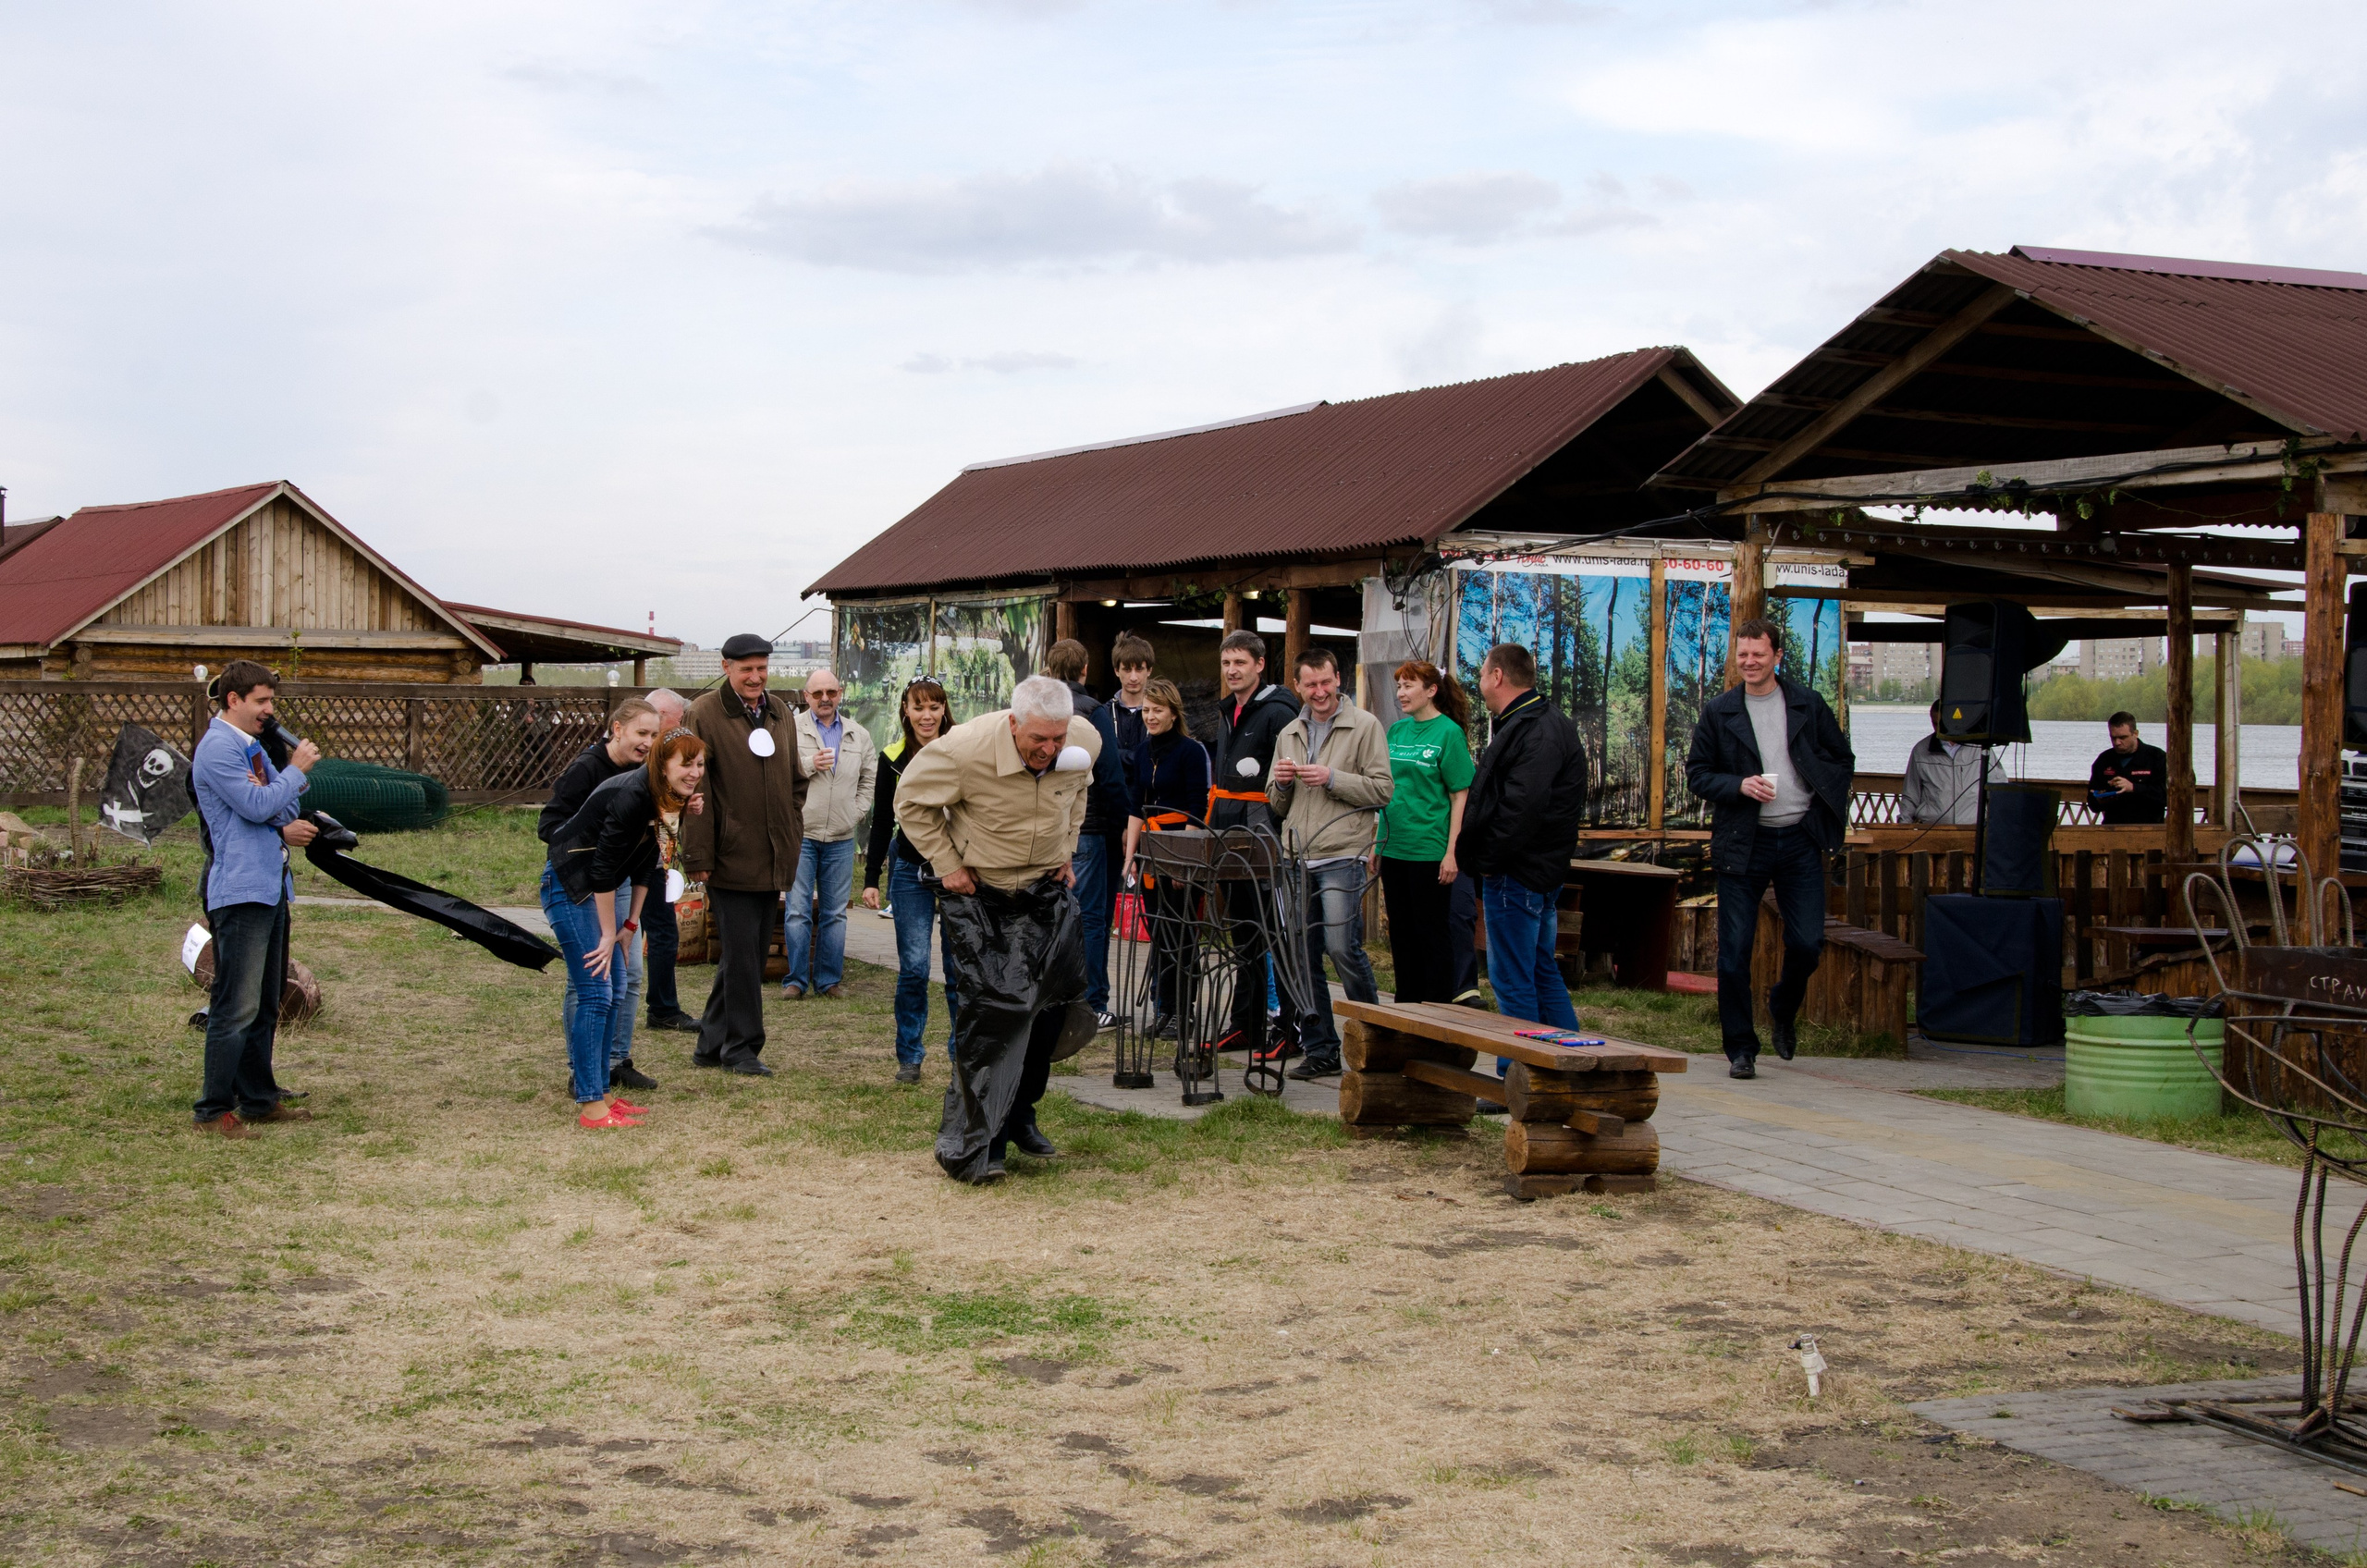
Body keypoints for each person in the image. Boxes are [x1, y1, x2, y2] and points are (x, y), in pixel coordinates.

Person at [896, 675, 1101, 1182]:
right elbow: (910, 801)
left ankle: (1020, 1116)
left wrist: (1067, 848)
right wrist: (947, 863)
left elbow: (1079, 791)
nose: (1050, 750)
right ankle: (979, 1143)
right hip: (981, 898)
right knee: (991, 1020)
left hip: (1044, 896)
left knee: (1049, 1012)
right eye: (1039, 740)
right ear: (1014, 725)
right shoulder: (963, 751)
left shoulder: (1083, 741)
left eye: (1058, 739)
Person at [1685, 617, 1855, 1079]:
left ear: (1777, 656)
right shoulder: (1720, 711)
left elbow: (1841, 759)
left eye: (1759, 654)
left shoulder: (1807, 703)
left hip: (1799, 838)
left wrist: (1822, 808)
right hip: (1744, 841)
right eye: (1742, 654)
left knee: (1808, 942)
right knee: (1734, 950)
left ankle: (1783, 1004)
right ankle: (1741, 1048)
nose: (1750, 662)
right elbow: (1697, 773)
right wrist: (1739, 784)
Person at [546, 728, 707, 1128]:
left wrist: (631, 924)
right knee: (596, 992)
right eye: (686, 764)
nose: (694, 773)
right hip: (570, 887)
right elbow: (601, 871)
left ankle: (601, 1092)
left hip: (602, 888)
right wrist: (606, 933)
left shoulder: (669, 797)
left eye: (699, 764)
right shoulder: (633, 795)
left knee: (616, 989)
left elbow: (646, 864)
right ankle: (590, 1106)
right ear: (663, 764)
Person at [190, 660, 321, 1137]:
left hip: (269, 886)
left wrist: (279, 786)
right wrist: (294, 770)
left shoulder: (252, 750)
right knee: (235, 1006)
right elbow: (260, 806)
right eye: (261, 701)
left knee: (266, 1002)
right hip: (240, 889)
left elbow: (283, 807)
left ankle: (259, 1100)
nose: (270, 710)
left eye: (271, 701)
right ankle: (212, 1111)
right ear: (234, 701)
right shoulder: (218, 748)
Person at [681, 634, 809, 1076]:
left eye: (761, 668)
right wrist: (698, 855)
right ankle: (741, 1048)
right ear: (727, 667)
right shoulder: (703, 713)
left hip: (772, 854)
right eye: (745, 669)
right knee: (743, 956)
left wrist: (792, 826)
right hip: (729, 856)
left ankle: (710, 1043)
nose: (755, 677)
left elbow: (795, 779)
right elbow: (695, 788)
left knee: (748, 953)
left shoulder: (781, 713)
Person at [1457, 643, 1588, 1072]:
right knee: (1539, 970)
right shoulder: (1531, 721)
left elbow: (1521, 808)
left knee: (1512, 980)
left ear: (1498, 677)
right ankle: (1570, 1065)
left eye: (1481, 676)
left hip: (1518, 873)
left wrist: (1488, 859)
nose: (1478, 685)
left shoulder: (1536, 728)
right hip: (1534, 870)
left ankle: (1517, 1076)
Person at [1268, 645, 1393, 1079]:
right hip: (1296, 855)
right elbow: (1276, 804)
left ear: (1338, 679)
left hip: (1342, 853)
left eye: (1326, 682)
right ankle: (1321, 1049)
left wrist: (1333, 778)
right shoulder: (1288, 732)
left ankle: (1376, 1041)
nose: (1319, 691)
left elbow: (1382, 790)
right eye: (1310, 684)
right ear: (1298, 687)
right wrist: (1282, 784)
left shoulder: (1366, 726)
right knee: (1302, 956)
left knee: (1342, 949)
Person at [538, 697, 663, 1091]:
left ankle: (615, 1060)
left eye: (655, 736)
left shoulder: (646, 776)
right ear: (618, 728)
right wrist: (598, 821)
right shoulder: (588, 768)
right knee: (591, 977)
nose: (648, 743)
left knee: (629, 973)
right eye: (641, 733)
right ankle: (583, 1070)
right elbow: (550, 827)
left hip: (621, 879)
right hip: (585, 880)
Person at [1205, 630, 1302, 1055]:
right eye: (1227, 664)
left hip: (1265, 839)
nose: (1232, 671)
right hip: (1230, 837)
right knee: (1243, 935)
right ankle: (1247, 1022)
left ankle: (1291, 1028)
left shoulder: (1279, 713)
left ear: (1260, 665)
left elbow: (1289, 779)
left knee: (1278, 935)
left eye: (1240, 663)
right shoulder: (1229, 711)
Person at [862, 677, 963, 1084]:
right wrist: (871, 877)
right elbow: (882, 821)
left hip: (958, 868)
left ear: (944, 710)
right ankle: (909, 1055)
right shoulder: (892, 757)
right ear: (905, 709)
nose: (927, 715)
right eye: (918, 707)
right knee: (915, 968)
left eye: (934, 707)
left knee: (959, 968)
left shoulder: (962, 749)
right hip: (909, 867)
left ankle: (963, 1054)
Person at [1044, 639, 1134, 1031]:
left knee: (1051, 915)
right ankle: (1093, 1002)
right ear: (1085, 670)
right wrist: (1122, 827)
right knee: (1091, 919)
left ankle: (1052, 998)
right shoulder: (1095, 712)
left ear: (1048, 670)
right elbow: (1110, 776)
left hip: (1047, 829)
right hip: (1091, 828)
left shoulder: (1038, 710)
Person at [1378, 660, 1476, 1005]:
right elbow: (1386, 789)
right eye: (1400, 686)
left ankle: (1437, 1009)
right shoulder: (1396, 732)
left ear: (1431, 691)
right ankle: (1406, 1004)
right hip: (1394, 846)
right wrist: (1377, 840)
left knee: (1430, 932)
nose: (1401, 693)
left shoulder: (1448, 733)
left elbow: (1460, 794)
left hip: (1429, 849)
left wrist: (1452, 852)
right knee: (1401, 932)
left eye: (1409, 686)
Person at [1121, 679, 1211, 1040]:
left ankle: (1183, 1013)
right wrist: (1130, 858)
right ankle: (1165, 1009)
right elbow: (1135, 806)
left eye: (1158, 710)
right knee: (1160, 934)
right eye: (1146, 710)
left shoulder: (1191, 751)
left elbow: (1197, 808)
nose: (1151, 716)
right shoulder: (1143, 752)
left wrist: (1184, 863)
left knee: (1182, 934)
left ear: (1173, 713)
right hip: (1151, 852)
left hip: (1181, 849)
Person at [784, 668, 877, 1000]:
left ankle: (828, 981)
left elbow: (869, 780)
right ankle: (795, 981)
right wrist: (810, 763)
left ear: (841, 693)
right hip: (802, 833)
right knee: (797, 910)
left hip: (840, 836)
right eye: (817, 693)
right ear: (805, 696)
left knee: (835, 913)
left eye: (831, 692)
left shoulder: (858, 735)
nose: (825, 699)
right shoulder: (790, 730)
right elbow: (778, 772)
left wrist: (856, 813)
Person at [639, 689, 700, 1035]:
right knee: (660, 933)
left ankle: (661, 1006)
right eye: (676, 725)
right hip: (639, 863)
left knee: (660, 932)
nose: (678, 732)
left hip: (657, 862)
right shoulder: (640, 760)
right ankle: (661, 1009)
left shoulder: (660, 758)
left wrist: (683, 808)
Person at [1901, 699, 2005, 826]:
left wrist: (1998, 826)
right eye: (1934, 724)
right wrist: (1904, 826)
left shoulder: (1980, 749)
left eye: (1942, 724)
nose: (1938, 729)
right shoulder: (1921, 750)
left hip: (1973, 830)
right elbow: (1910, 795)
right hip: (1931, 830)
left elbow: (1999, 790)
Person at [2089, 711, 2168, 826]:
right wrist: (2102, 797)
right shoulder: (2104, 760)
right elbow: (2093, 805)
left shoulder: (2157, 757)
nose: (2117, 743)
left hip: (2149, 829)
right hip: (2112, 829)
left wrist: (2133, 787)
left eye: (2122, 737)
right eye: (2113, 738)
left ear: (2135, 733)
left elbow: (2166, 797)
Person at [1107, 632, 1156, 783]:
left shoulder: (1161, 713)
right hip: (1113, 799)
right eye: (1127, 669)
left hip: (1149, 800)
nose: (1133, 677)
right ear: (1116, 671)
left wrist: (1119, 755)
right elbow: (1102, 758)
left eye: (1139, 669)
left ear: (1149, 670)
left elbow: (1159, 759)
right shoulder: (1104, 712)